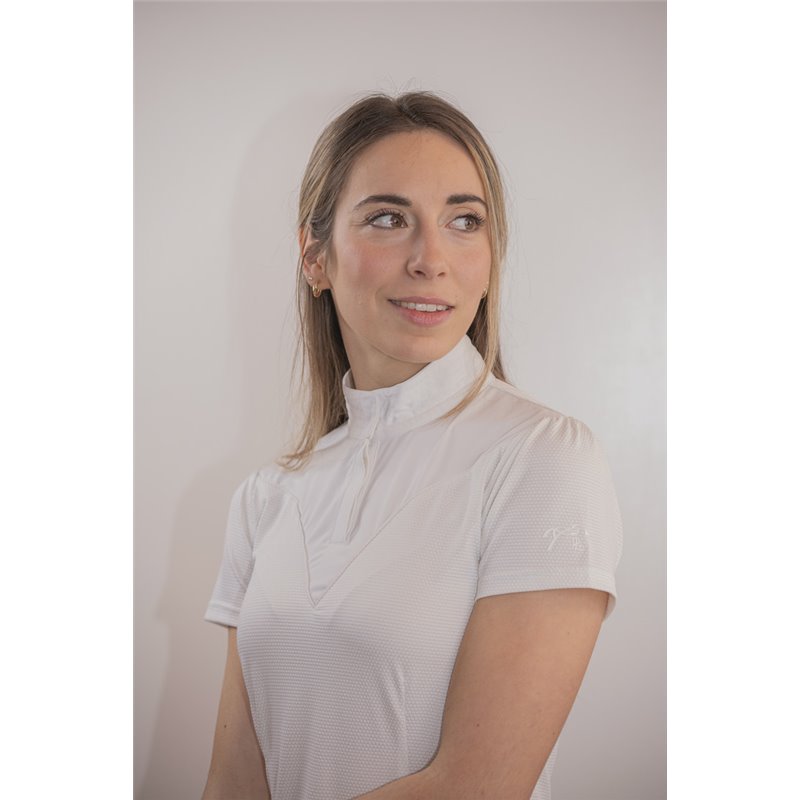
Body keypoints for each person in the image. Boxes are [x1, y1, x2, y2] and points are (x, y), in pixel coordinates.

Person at [202, 90, 623, 800]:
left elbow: (475, 788)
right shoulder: (265, 497)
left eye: (464, 221)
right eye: (389, 219)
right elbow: (233, 782)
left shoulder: (544, 459)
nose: (432, 259)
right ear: (315, 257)